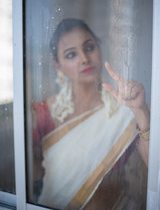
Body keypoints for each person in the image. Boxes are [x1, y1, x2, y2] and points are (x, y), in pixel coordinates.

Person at [32, 18, 150, 210]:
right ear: (58, 66)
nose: (84, 59)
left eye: (89, 47)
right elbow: (32, 175)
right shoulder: (44, 113)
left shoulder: (125, 109)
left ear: (99, 49)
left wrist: (141, 111)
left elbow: (155, 170)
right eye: (71, 55)